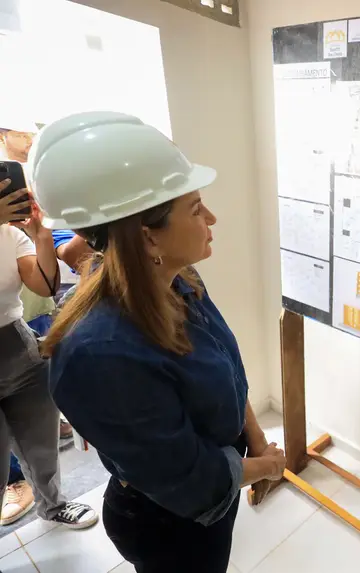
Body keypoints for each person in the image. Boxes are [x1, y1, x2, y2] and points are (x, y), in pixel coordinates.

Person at [34, 111, 287, 573]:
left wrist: (255, 440)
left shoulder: (180, 279)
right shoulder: (99, 355)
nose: (212, 218)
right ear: (148, 236)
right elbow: (194, 479)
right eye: (195, 208)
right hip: (167, 520)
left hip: (217, 486)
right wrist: (268, 467)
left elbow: (228, 370)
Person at [0, 181, 98, 530]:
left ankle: (53, 505)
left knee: (40, 442)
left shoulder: (11, 235)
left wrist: (41, 236)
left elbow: (44, 285)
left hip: (18, 344)